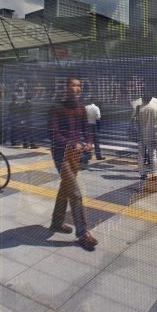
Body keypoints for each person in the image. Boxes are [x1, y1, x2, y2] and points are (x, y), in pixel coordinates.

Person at [48, 77, 98, 251]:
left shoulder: (81, 109)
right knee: (75, 193)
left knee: (65, 189)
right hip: (61, 154)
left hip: (75, 154)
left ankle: (56, 222)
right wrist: (70, 143)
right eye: (74, 85)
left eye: (79, 86)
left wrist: (89, 141)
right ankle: (83, 234)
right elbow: (53, 133)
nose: (77, 88)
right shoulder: (56, 107)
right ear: (66, 87)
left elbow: (86, 129)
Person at [135, 94, 157, 180]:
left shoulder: (138, 109)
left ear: (142, 100)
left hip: (140, 135)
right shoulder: (154, 109)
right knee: (152, 155)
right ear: (150, 100)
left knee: (141, 155)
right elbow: (156, 125)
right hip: (151, 135)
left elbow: (134, 121)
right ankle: (154, 173)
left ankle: (142, 174)